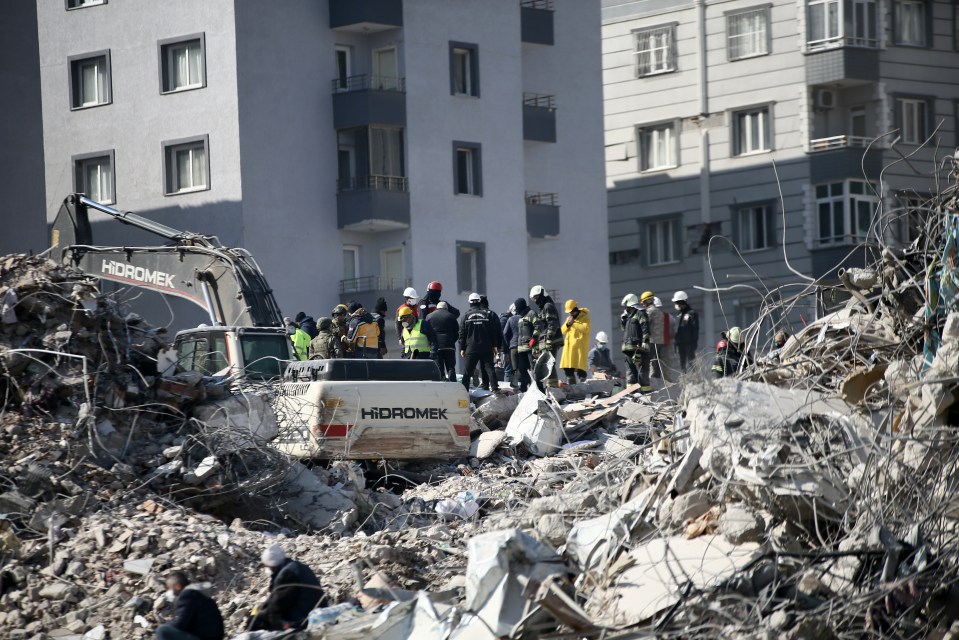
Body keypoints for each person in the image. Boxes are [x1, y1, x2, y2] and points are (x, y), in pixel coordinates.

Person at [250, 544, 324, 632]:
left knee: (256, 622)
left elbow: (277, 607)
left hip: (303, 620)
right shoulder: (296, 567)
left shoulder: (287, 575)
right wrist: (261, 608)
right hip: (316, 613)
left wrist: (258, 616)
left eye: (267, 566)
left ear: (272, 565)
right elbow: (277, 598)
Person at [155, 571, 224, 640]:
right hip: (214, 636)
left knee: (162, 630)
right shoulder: (197, 594)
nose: (169, 591)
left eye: (170, 588)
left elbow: (181, 624)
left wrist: (167, 625)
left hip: (205, 637)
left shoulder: (186, 596)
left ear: (178, 586)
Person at [459, 292, 500, 392]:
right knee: (490, 369)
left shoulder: (465, 316)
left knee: (467, 372)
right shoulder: (487, 315)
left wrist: (462, 348)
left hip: (471, 348)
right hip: (486, 347)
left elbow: (462, 334)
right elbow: (493, 332)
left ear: (469, 302)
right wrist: (495, 346)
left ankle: (464, 391)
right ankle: (495, 389)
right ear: (479, 301)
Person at [528, 285, 563, 388]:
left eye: (536, 297)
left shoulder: (548, 306)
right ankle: (551, 387)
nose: (535, 300)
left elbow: (553, 324)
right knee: (548, 365)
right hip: (548, 340)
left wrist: (549, 340)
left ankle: (553, 388)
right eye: (533, 298)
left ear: (542, 295)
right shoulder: (543, 307)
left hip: (553, 340)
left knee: (549, 364)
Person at [620, 293, 651, 392]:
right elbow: (624, 330)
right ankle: (633, 392)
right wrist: (623, 320)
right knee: (632, 369)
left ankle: (644, 391)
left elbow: (645, 325)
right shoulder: (628, 317)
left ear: (630, 304)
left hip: (638, 347)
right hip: (630, 347)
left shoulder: (640, 313)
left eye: (626, 306)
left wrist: (645, 340)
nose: (625, 308)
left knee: (640, 368)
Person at [641, 291, 674, 383]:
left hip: (652, 341)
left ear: (647, 301)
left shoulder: (651, 311)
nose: (643, 305)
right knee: (657, 363)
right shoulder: (660, 313)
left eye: (643, 302)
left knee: (647, 362)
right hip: (660, 342)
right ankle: (657, 380)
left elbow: (642, 323)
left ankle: (646, 381)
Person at [503, 297, 533, 392]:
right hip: (526, 345)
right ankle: (528, 387)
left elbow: (505, 333)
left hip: (513, 348)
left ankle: (518, 389)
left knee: (515, 369)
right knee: (526, 367)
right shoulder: (525, 316)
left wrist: (509, 344)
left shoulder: (511, 319)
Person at [559, 299, 591, 384]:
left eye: (571, 312)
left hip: (579, 348)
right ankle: (572, 386)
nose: (570, 314)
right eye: (569, 312)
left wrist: (573, 323)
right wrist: (568, 324)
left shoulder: (585, 317)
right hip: (569, 348)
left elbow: (585, 329)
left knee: (581, 370)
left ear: (575, 310)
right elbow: (562, 331)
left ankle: (583, 386)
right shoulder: (569, 319)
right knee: (568, 368)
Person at [427, 301, 459, 381]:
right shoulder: (452, 316)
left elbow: (427, 332)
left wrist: (431, 343)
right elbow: (457, 333)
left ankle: (441, 384)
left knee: (439, 367)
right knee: (451, 367)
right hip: (449, 346)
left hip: (436, 346)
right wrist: (451, 341)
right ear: (446, 308)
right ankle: (453, 384)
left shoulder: (429, 316)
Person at [672, 291, 700, 373]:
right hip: (680, 344)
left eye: (677, 303)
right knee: (682, 364)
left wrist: (694, 342)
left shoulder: (692, 314)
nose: (677, 305)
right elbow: (676, 331)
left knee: (691, 362)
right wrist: (675, 344)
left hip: (689, 343)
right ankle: (684, 380)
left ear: (682, 302)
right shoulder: (679, 316)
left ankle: (695, 379)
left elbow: (695, 329)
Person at [395, 287, 419, 351]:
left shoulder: (417, 308)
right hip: (406, 337)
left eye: (414, 298)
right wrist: (400, 338)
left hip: (417, 336)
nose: (414, 299)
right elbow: (398, 324)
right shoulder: (401, 309)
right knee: (406, 353)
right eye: (412, 298)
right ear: (407, 298)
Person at [499, 304, 515, 385]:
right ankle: (507, 390)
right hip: (506, 349)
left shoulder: (506, 318)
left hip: (509, 348)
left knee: (510, 371)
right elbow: (503, 335)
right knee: (508, 370)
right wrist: (504, 352)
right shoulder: (505, 320)